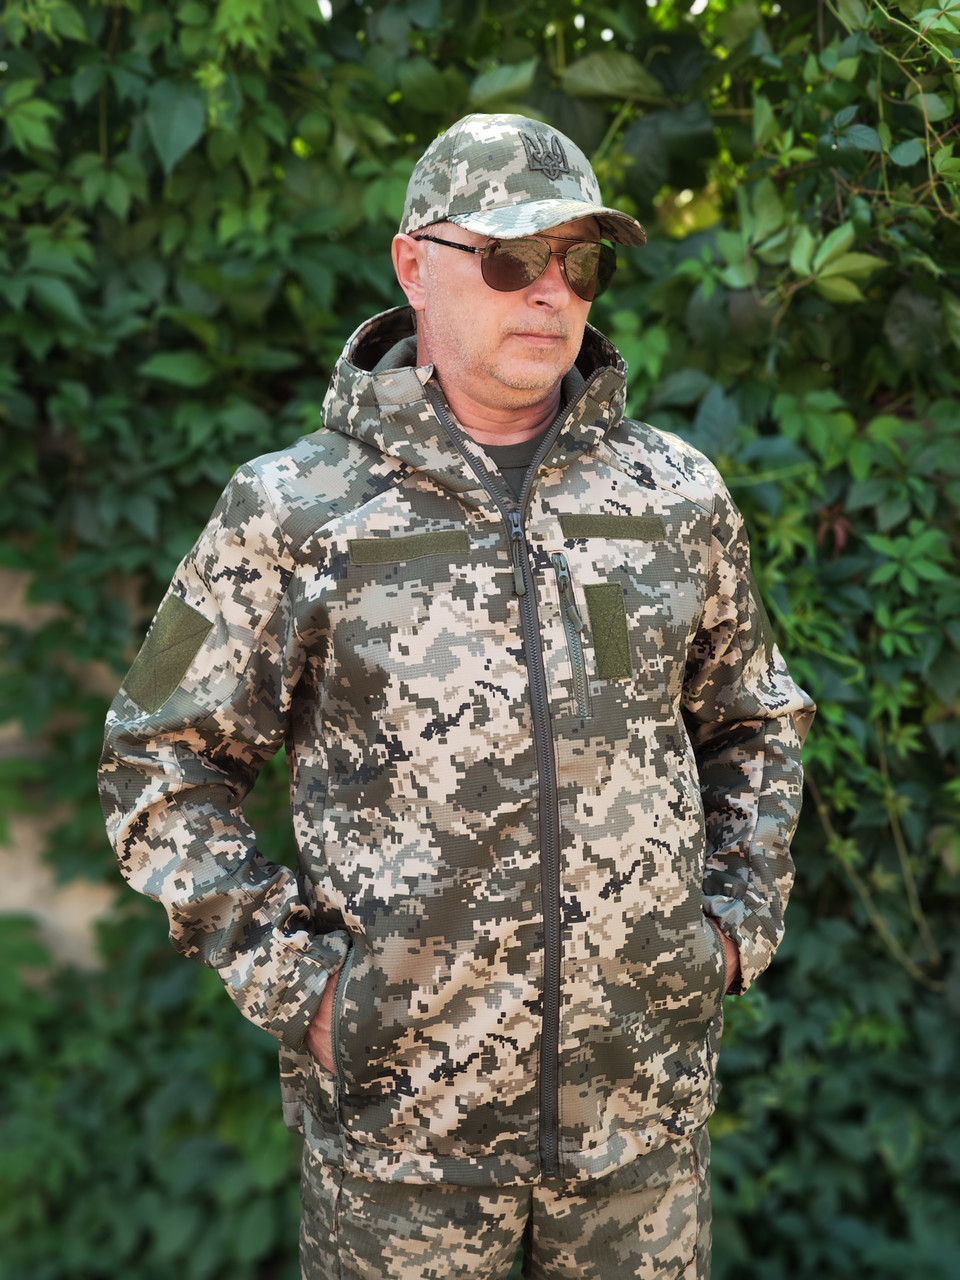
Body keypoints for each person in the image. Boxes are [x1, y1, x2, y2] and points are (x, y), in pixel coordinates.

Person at [99, 112, 814, 1279]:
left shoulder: (673, 496)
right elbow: (157, 759)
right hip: (402, 1149)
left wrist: (732, 927)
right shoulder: (293, 510)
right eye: (512, 256)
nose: (550, 290)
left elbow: (756, 717)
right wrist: (302, 985)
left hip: (638, 1130)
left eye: (579, 260)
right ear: (414, 265)